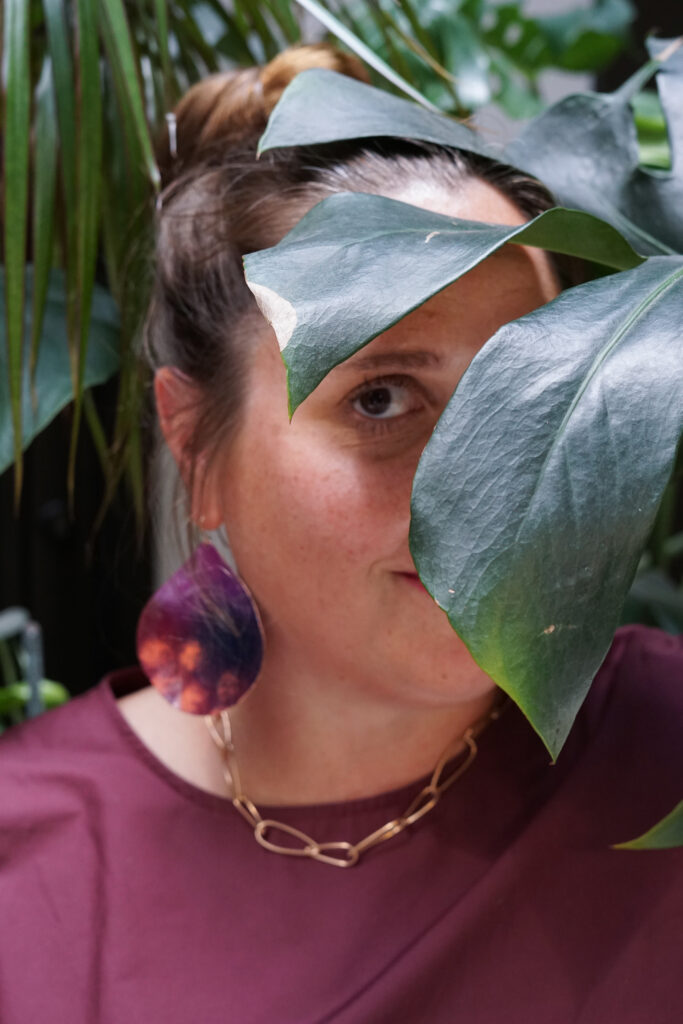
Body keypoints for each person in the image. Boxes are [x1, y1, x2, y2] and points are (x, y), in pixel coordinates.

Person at [0, 43, 681, 1024]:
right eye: (381, 398)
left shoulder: (656, 751)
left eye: (534, 385)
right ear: (195, 445)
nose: (488, 476)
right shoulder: (35, 866)